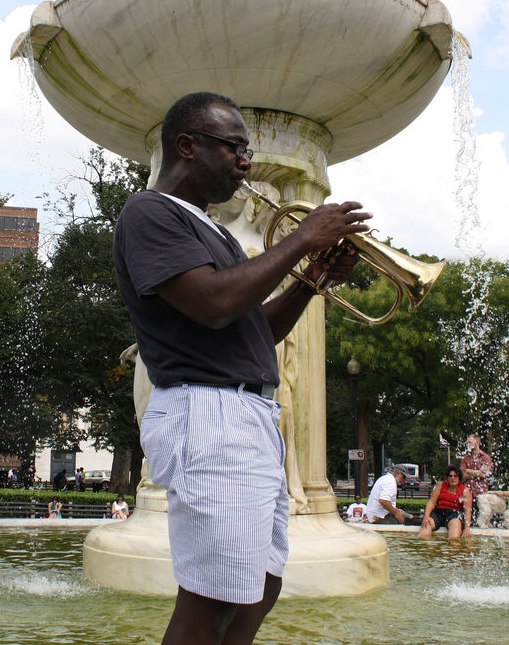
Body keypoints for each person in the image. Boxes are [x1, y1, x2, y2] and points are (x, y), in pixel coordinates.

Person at [113, 91, 368, 644]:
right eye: (235, 148)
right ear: (188, 146)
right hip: (207, 412)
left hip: (245, 414)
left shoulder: (216, 232)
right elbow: (213, 303)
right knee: (211, 597)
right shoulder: (148, 213)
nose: (246, 162)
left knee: (262, 584)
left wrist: (315, 277)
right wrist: (303, 237)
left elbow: (254, 330)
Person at [418, 465, 472, 539]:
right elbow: (432, 502)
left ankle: (453, 549)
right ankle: (425, 547)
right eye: (450, 476)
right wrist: (426, 516)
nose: (453, 478)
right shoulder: (441, 486)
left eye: (455, 476)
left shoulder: (465, 491)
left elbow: (468, 510)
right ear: (447, 477)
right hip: (439, 513)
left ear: (459, 478)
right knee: (426, 525)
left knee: (454, 530)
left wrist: (467, 528)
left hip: (455, 514)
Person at [460, 434, 493, 501]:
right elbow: (462, 475)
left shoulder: (485, 457)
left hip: (481, 493)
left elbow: (483, 474)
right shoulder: (465, 458)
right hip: (468, 493)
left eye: (470, 442)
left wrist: (468, 470)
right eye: (467, 443)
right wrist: (477, 473)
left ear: (477, 443)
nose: (468, 445)